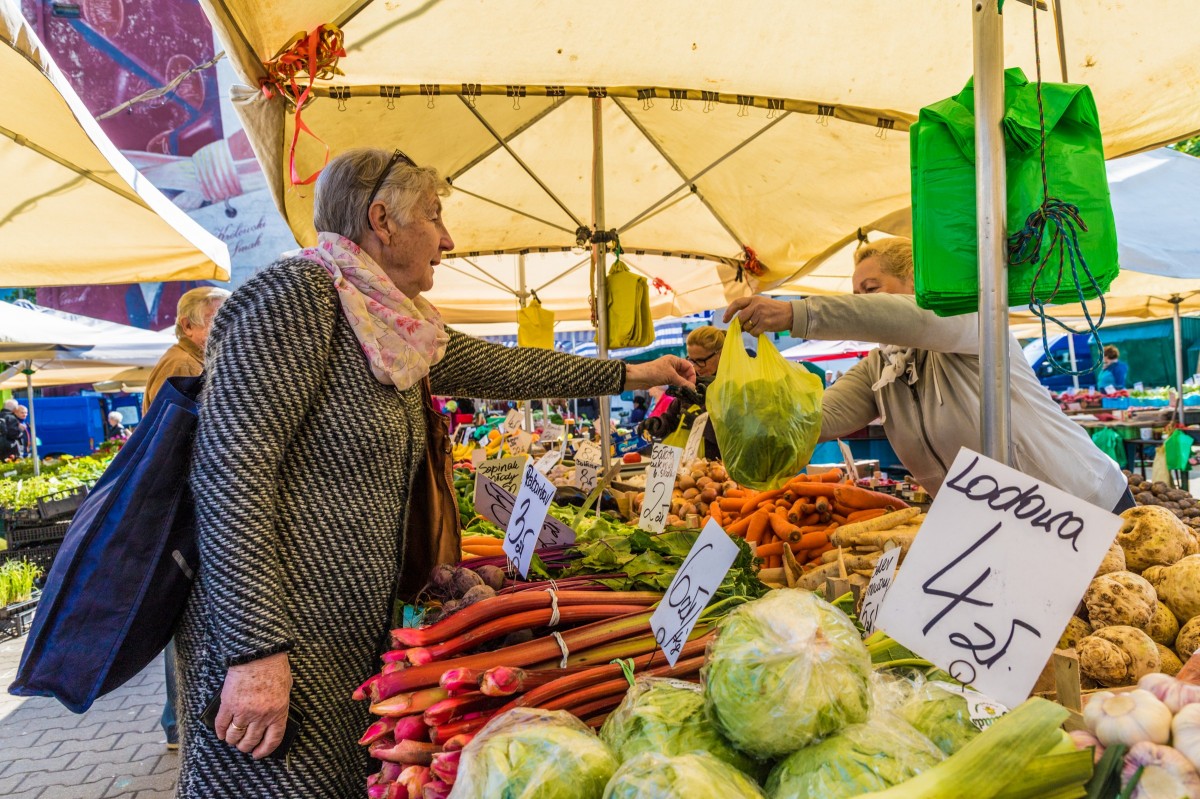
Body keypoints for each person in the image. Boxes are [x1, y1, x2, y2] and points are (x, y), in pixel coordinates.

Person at [175, 147, 694, 798]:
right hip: (283, 643)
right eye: (435, 216)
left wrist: (632, 374)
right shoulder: (296, 295)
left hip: (345, 642)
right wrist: (253, 652)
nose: (447, 240)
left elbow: (506, 370)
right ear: (382, 219)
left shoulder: (390, 323)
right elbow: (229, 470)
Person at [724, 237, 1129, 511]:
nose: (863, 302)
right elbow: (820, 419)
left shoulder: (970, 320)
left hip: (1081, 506)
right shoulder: (881, 368)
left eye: (871, 288)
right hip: (1002, 525)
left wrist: (798, 313)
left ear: (915, 281)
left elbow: (910, 320)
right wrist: (740, 412)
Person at [141, 285, 230, 753]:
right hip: (184, 509)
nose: (227, 324)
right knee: (186, 616)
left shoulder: (188, 359)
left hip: (184, 506)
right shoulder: (182, 364)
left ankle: (179, 719)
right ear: (191, 326)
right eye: (218, 317)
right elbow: (179, 441)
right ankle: (180, 723)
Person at [142, 286, 232, 413]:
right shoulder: (185, 365)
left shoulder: (187, 360)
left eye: (231, 320)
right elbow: (175, 428)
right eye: (218, 320)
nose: (229, 328)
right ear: (187, 326)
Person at [648, 326, 725, 458]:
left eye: (701, 361)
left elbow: (740, 434)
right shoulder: (691, 382)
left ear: (721, 354)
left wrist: (701, 426)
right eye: (691, 360)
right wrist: (658, 424)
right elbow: (672, 419)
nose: (694, 366)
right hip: (688, 467)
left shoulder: (734, 387)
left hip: (720, 468)